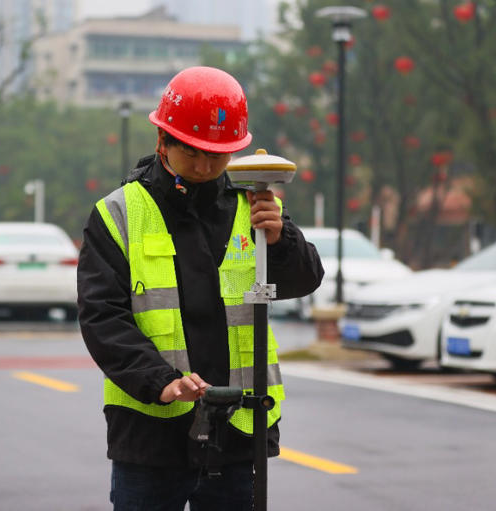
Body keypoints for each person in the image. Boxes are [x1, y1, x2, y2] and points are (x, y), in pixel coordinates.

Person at [77, 66, 323, 511]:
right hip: (152, 433)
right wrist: (161, 382)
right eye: (192, 152)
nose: (206, 167)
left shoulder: (254, 204)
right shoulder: (118, 214)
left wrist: (279, 238)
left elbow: (305, 279)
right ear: (162, 141)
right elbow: (102, 317)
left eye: (218, 154)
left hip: (239, 429)